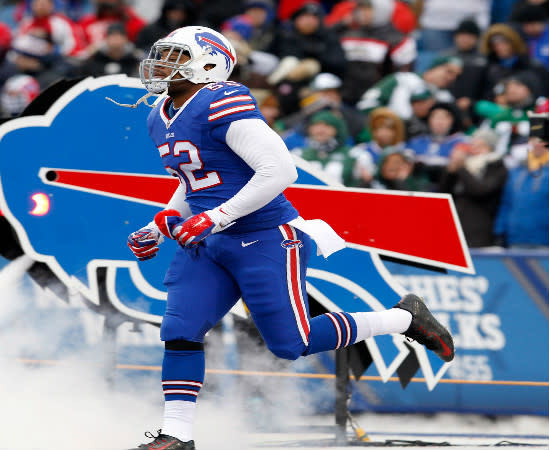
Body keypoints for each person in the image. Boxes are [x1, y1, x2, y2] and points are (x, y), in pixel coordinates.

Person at [125, 26, 455, 450]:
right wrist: (162, 221)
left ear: (208, 63)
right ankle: (177, 434)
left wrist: (217, 217)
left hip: (263, 236)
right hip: (213, 240)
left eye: (174, 56)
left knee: (289, 344)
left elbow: (281, 171)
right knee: (180, 328)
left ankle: (405, 318)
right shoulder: (160, 114)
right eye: (162, 55)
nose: (161, 64)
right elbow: (195, 182)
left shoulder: (220, 100)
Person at [437, 129, 507, 247]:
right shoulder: (466, 166)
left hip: (480, 229)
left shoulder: (496, 166)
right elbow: (444, 193)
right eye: (473, 145)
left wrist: (461, 168)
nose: (474, 149)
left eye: (480, 145)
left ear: (490, 147)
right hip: (457, 227)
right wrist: (450, 172)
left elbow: (480, 190)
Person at [493, 112, 549, 248]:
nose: (538, 144)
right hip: (515, 239)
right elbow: (506, 203)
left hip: (543, 241)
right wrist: (500, 231)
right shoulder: (516, 171)